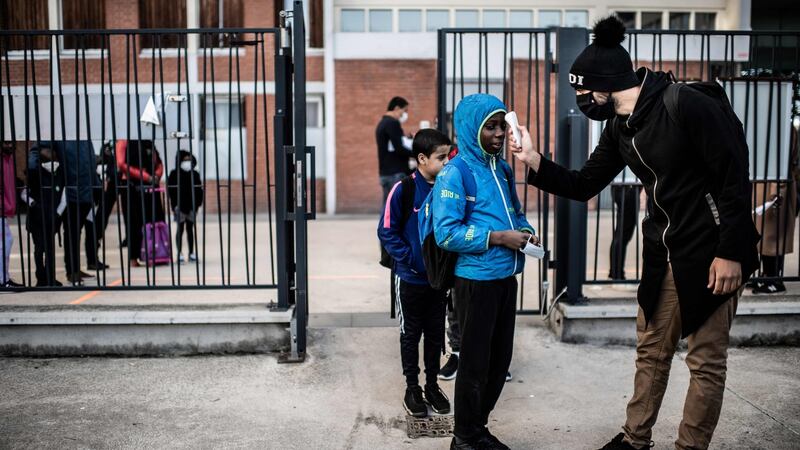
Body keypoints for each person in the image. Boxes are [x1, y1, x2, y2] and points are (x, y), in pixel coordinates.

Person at [509, 16, 759, 450]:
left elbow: (734, 177)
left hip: (712, 251)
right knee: (652, 349)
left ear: (607, 83)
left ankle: (690, 446)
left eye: (584, 91)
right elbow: (585, 183)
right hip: (664, 252)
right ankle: (634, 439)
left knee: (705, 361)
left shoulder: (687, 104)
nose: (582, 99)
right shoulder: (621, 127)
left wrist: (732, 252)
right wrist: (533, 160)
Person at [433, 93, 536, 450]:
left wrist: (526, 231)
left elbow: (516, 214)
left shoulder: (503, 170)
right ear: (470, 129)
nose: (498, 134)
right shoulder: (454, 173)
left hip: (506, 277)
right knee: (475, 365)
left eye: (500, 126)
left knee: (498, 362)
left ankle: (477, 428)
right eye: (490, 127)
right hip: (475, 281)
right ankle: (465, 438)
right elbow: (446, 233)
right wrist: (497, 237)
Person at [378, 129, 452, 419]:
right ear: (422, 159)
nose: (447, 163)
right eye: (441, 157)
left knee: (435, 335)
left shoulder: (448, 188)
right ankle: (413, 388)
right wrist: (409, 259)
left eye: (449, 156)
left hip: (438, 281)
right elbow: (386, 230)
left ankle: (432, 385)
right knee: (411, 335)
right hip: (409, 279)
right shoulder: (403, 189)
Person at [54, 140, 99, 285]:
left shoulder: (85, 138)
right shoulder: (63, 137)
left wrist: (95, 186)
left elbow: (91, 163)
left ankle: (76, 269)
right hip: (71, 193)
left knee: (77, 233)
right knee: (71, 233)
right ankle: (71, 271)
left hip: (86, 191)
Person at [115, 139, 164, 267]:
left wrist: (157, 175)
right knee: (133, 222)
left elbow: (158, 163)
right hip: (131, 186)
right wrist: (144, 175)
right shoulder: (124, 141)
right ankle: (133, 257)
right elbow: (121, 163)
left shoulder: (148, 141)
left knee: (152, 220)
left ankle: (154, 254)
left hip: (150, 185)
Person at [24, 145, 65, 287]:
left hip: (51, 217)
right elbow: (24, 193)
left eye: (51, 150)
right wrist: (33, 204)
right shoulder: (35, 172)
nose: (49, 153)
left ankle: (50, 277)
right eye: (46, 150)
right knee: (39, 248)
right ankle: (41, 278)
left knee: (50, 249)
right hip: (37, 218)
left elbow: (64, 194)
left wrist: (58, 213)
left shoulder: (59, 172)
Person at [167, 150, 204, 263]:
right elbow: (171, 192)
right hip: (180, 207)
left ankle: (191, 253)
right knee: (180, 229)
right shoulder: (174, 174)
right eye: (185, 160)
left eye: (189, 160)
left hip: (192, 207)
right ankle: (179, 253)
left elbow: (199, 191)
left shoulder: (195, 174)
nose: (187, 162)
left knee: (190, 229)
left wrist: (197, 205)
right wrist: (174, 206)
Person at [376, 96, 413, 206]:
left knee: (388, 208)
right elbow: (399, 147)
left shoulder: (382, 123)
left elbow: (393, 144)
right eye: (405, 110)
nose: (405, 114)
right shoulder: (393, 123)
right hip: (395, 173)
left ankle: (385, 224)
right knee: (395, 208)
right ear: (397, 108)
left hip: (385, 173)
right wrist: (416, 155)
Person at [0, 142, 21, 288]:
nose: (8, 144)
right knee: (6, 241)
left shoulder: (8, 158)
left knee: (5, 242)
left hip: (5, 207)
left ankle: (4, 278)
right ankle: (2, 279)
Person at [609, 184, 641, 280]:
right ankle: (617, 273)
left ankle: (616, 272)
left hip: (626, 188)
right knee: (623, 235)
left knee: (621, 234)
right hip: (628, 188)